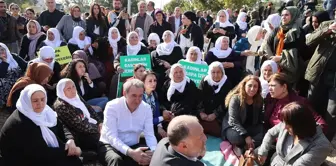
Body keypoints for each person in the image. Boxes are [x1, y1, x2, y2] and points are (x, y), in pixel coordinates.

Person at [0, 84, 82, 166]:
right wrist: (70, 151)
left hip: (39, 153)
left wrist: (70, 140)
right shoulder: (21, 122)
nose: (40, 103)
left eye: (43, 99)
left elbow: (60, 125)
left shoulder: (45, 111)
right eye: (35, 101)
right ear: (26, 101)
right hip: (22, 160)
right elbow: (40, 152)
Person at [98, 79, 157, 166]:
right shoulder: (112, 106)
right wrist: (131, 153)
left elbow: (150, 135)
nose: (137, 100)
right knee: (116, 160)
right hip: (110, 145)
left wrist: (153, 152)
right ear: (124, 94)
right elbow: (112, 137)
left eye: (140, 96)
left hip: (134, 145)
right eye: (134, 96)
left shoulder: (146, 108)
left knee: (150, 158)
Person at [258, 102, 332, 166]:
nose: (285, 128)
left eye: (289, 126)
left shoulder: (321, 146)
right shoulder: (288, 123)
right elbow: (271, 133)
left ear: (300, 125)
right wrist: (263, 152)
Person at [306, 20, 336, 140]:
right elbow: (309, 41)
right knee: (311, 106)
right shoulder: (325, 24)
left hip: (334, 79)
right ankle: (306, 135)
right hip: (318, 74)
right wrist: (327, 30)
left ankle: (324, 142)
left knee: (332, 112)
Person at [54, 78, 103, 151]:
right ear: (62, 91)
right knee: (106, 140)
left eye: (73, 86)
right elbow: (80, 126)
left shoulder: (76, 95)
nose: (73, 90)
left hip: (91, 126)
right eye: (68, 88)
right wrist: (99, 129)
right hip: (82, 135)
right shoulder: (61, 106)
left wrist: (100, 123)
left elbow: (90, 109)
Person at [263, 7, 306, 84]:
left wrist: (281, 58)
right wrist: (272, 59)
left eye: (286, 15)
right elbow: (267, 44)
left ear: (293, 16)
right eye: (282, 15)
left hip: (290, 69)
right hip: (275, 66)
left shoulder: (299, 32)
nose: (283, 17)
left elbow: (300, 52)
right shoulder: (277, 30)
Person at [222, 75, 264, 151]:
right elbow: (233, 121)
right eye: (249, 86)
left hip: (249, 127)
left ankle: (249, 145)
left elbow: (259, 120)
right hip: (233, 127)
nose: (252, 89)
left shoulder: (259, 100)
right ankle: (248, 144)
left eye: (255, 86)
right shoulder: (236, 99)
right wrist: (246, 136)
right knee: (237, 138)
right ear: (244, 86)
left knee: (264, 132)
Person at [197, 62, 231, 137]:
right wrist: (201, 112)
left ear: (222, 72)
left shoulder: (226, 83)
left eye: (218, 72)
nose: (216, 75)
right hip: (204, 114)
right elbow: (199, 97)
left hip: (218, 116)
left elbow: (226, 102)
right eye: (213, 72)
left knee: (218, 131)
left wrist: (215, 114)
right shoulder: (205, 81)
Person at [142, 70, 173, 140]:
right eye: (150, 81)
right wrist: (163, 118)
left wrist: (159, 126)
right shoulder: (140, 98)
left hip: (154, 124)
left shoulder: (154, 94)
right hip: (143, 129)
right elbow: (145, 121)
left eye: (155, 80)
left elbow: (156, 113)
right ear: (143, 82)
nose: (153, 83)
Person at [0, 43, 27, 107]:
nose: (1, 52)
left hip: (19, 81)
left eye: (2, 49)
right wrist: (4, 61)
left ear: (6, 49)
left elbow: (25, 65)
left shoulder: (13, 56)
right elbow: (1, 74)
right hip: (5, 86)